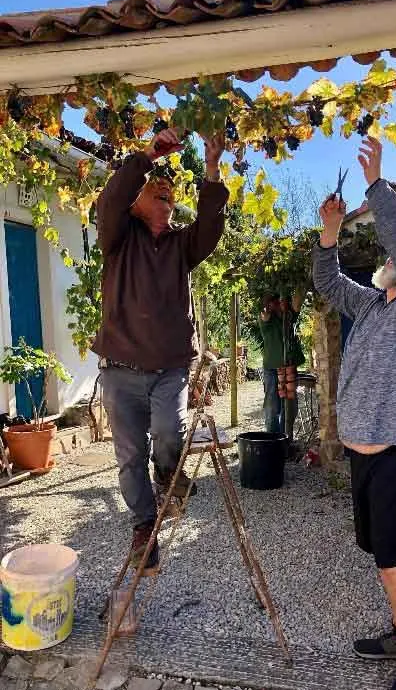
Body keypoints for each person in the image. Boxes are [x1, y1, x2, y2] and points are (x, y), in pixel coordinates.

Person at [313, 138, 396, 690]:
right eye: (391, 258)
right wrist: (329, 232)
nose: (391, 260)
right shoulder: (368, 305)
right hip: (363, 450)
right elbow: (325, 282)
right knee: (381, 553)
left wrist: (375, 186)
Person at [93, 127, 228, 573]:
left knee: (169, 431)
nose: (165, 195)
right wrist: (148, 156)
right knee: (129, 456)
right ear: (135, 203)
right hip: (119, 371)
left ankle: (169, 475)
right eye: (157, 190)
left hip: (168, 368)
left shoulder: (180, 246)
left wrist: (211, 169)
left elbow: (210, 226)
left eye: (170, 194)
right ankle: (144, 528)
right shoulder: (118, 237)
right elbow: (109, 201)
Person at [259, 293, 305, 439]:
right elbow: (264, 317)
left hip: (289, 366)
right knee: (272, 404)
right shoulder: (267, 318)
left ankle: (286, 436)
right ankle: (273, 438)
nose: (277, 304)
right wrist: (267, 311)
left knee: (290, 403)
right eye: (274, 302)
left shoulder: (289, 316)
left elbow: (298, 304)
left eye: (279, 301)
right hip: (272, 367)